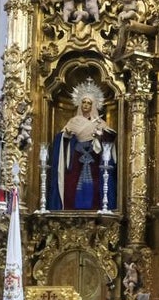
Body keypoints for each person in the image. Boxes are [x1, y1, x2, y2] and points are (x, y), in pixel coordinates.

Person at [47, 78, 117, 210]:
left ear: (93, 105)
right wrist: (67, 135)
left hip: (94, 157)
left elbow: (110, 137)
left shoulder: (100, 122)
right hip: (77, 157)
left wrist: (100, 135)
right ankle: (71, 208)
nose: (85, 105)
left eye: (89, 103)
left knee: (96, 184)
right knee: (72, 183)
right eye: (83, 102)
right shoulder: (74, 121)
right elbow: (61, 138)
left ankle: (97, 207)